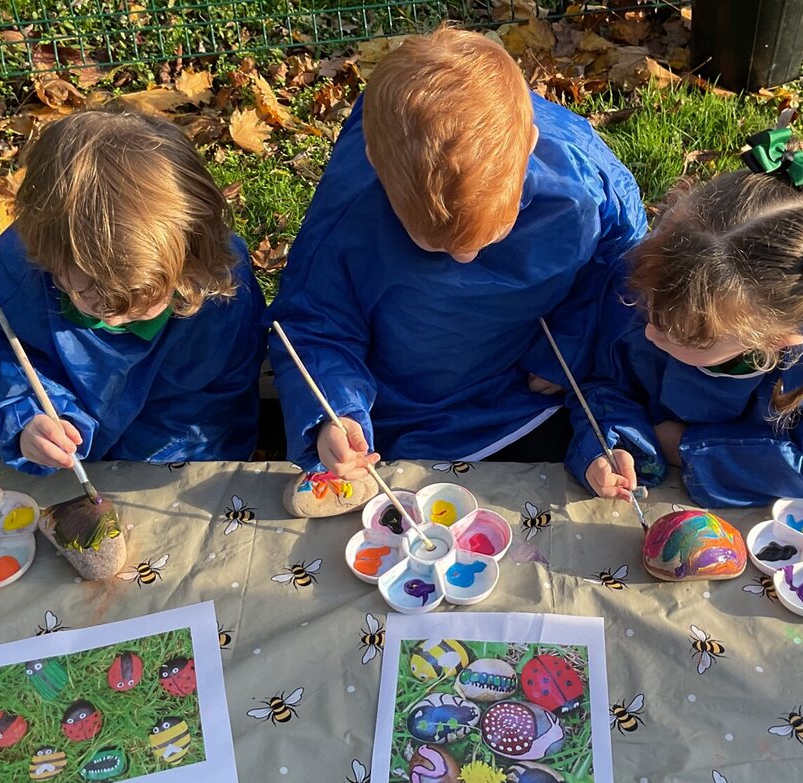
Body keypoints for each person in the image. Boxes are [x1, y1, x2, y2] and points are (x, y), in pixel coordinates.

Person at [267, 26, 647, 512]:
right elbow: (315, 322)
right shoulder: (351, 213)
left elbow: (619, 271)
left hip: (528, 384)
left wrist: (568, 349)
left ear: (530, 145)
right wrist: (335, 411)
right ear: (375, 165)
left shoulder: (583, 182)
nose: (464, 258)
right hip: (401, 401)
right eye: (433, 243)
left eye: (490, 235)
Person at [569, 128, 803, 508]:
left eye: (690, 338)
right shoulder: (658, 282)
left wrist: (688, 448)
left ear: (774, 341)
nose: (650, 333)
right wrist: (610, 441)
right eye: (651, 312)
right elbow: (604, 379)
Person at [0, 107, 265, 473]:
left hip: (166, 457)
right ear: (49, 260)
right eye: (94, 298)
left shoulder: (218, 282)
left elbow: (216, 404)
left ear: (189, 259)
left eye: (144, 302)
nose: (117, 318)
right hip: (54, 460)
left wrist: (154, 469)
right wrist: (23, 416)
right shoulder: (19, 266)